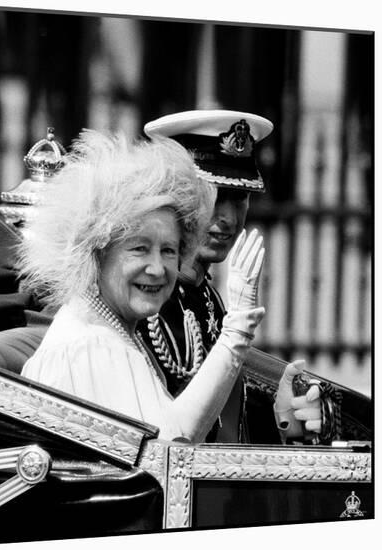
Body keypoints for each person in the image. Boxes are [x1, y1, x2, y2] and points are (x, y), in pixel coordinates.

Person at [19, 129, 266, 443]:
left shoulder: (112, 332)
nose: (157, 269)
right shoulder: (91, 346)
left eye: (168, 251)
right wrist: (236, 333)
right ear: (98, 250)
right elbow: (170, 447)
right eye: (138, 248)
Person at [138, 110, 321, 443]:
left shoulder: (209, 297)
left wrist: (282, 416)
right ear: (178, 195)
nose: (228, 218)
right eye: (216, 196)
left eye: (240, 198)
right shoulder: (146, 295)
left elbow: (226, 426)